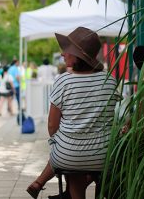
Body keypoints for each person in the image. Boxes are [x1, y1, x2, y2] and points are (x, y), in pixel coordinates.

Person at [26, 27, 121, 199]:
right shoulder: (110, 80)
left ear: (77, 55)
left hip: (68, 154)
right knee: (89, 161)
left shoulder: (63, 81)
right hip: (104, 154)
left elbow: (52, 125)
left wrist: (59, 144)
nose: (63, 54)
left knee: (74, 161)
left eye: (66, 50)